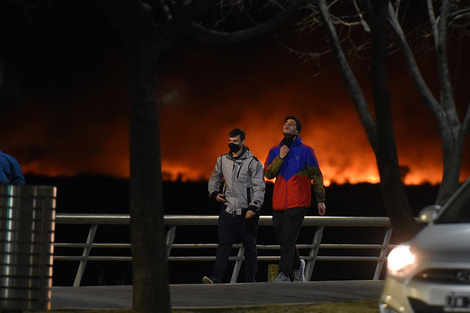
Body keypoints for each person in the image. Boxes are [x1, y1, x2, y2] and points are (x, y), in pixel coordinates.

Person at [264, 116, 326, 283]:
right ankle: (298, 265)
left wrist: (320, 199)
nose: (287, 125)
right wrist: (281, 157)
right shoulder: (275, 151)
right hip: (278, 204)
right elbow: (268, 174)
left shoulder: (306, 151)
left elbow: (316, 176)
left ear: (297, 131)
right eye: (285, 123)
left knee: (288, 238)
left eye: (291, 124)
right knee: (283, 239)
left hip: (298, 203)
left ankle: (284, 274)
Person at [203, 128, 265, 284]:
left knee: (250, 247)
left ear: (243, 142)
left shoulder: (253, 163)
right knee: (223, 245)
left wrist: (253, 207)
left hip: (246, 213)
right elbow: (214, 178)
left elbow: (259, 187)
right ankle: (216, 277)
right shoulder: (222, 160)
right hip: (227, 211)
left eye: (235, 141)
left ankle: (250, 279)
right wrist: (214, 193)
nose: (232, 144)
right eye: (230, 141)